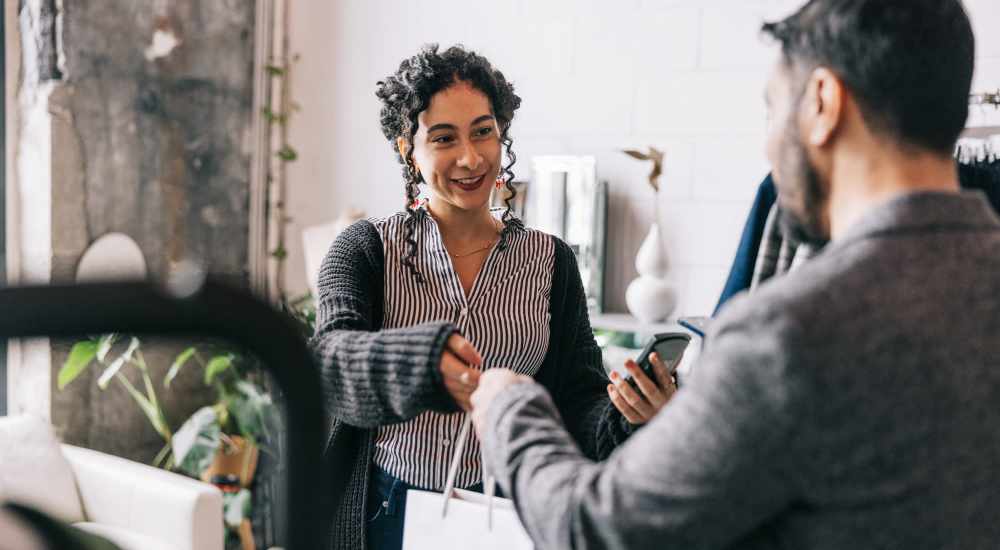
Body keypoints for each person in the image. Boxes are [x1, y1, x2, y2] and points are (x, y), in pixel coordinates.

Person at [470, 1, 1000, 548]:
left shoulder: (788, 335)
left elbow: (593, 529)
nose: (771, 144)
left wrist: (511, 408)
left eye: (773, 112)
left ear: (822, 102)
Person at [309, 44, 676, 550]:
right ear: (405, 149)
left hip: (508, 510)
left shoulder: (551, 261)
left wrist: (627, 417)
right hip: (387, 509)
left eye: (483, 131)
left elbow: (576, 403)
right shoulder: (366, 249)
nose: (470, 157)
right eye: (444, 138)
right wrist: (425, 363)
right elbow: (330, 364)